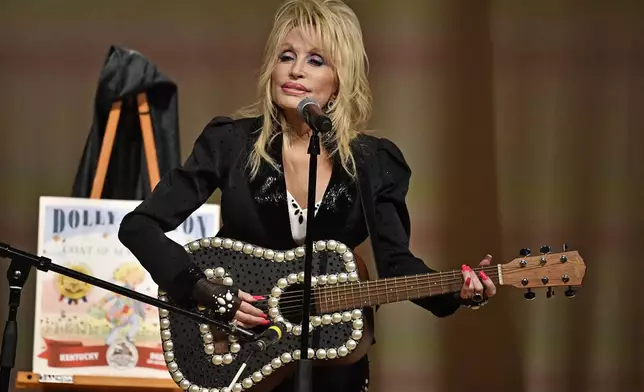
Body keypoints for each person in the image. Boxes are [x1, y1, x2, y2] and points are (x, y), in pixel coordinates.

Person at [118, 0, 497, 391]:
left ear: (340, 78)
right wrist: (204, 289)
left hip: (333, 360)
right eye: (286, 56)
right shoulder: (229, 143)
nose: (295, 70)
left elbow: (397, 265)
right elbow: (138, 226)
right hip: (243, 351)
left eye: (316, 60)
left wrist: (459, 291)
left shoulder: (375, 162)